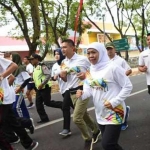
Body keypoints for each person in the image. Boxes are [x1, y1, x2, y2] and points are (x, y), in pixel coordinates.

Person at [76, 42, 133, 150]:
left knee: (108, 144)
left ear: (101, 53)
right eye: (88, 53)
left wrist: (114, 102)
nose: (90, 56)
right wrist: (82, 94)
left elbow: (128, 86)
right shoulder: (90, 71)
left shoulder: (113, 68)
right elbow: (89, 90)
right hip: (100, 113)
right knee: (111, 145)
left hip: (115, 111)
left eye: (93, 52)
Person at [60, 39, 100, 150]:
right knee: (83, 115)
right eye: (61, 47)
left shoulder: (83, 59)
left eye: (65, 47)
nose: (62, 49)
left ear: (72, 48)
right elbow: (65, 80)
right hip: (71, 92)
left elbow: (94, 71)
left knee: (76, 118)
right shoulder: (64, 63)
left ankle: (87, 139)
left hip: (83, 90)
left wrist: (86, 76)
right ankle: (96, 130)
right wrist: (62, 75)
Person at [0, 56, 38, 150]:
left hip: (3, 97)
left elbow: (13, 66)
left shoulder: (19, 67)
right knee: (12, 122)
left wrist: (1, 77)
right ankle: (29, 143)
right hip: (5, 97)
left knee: (6, 124)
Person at [29, 53, 63, 123]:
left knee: (47, 102)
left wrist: (42, 83)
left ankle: (63, 105)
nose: (31, 61)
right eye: (30, 60)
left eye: (32, 59)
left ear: (36, 59)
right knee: (38, 104)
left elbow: (48, 75)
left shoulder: (42, 65)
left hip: (45, 87)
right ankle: (44, 118)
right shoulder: (34, 67)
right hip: (39, 88)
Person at [105, 42, 132, 130]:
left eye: (111, 49)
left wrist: (121, 77)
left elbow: (129, 70)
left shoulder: (120, 60)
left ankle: (124, 122)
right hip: (110, 87)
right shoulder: (104, 61)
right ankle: (115, 119)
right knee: (111, 103)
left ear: (114, 50)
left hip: (120, 86)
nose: (109, 51)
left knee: (119, 103)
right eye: (107, 49)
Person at [51, 48, 73, 136]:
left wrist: (60, 75)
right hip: (63, 90)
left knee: (65, 107)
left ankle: (66, 129)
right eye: (55, 54)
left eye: (58, 54)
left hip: (70, 88)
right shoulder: (54, 66)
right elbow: (53, 77)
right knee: (78, 110)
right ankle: (92, 125)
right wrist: (55, 77)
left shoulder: (66, 64)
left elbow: (66, 79)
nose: (56, 55)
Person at [11, 53, 31, 119]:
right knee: (22, 106)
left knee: (15, 107)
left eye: (11, 58)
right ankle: (28, 122)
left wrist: (21, 87)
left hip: (20, 90)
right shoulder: (12, 69)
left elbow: (28, 78)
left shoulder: (21, 68)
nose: (10, 59)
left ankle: (22, 122)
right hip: (14, 90)